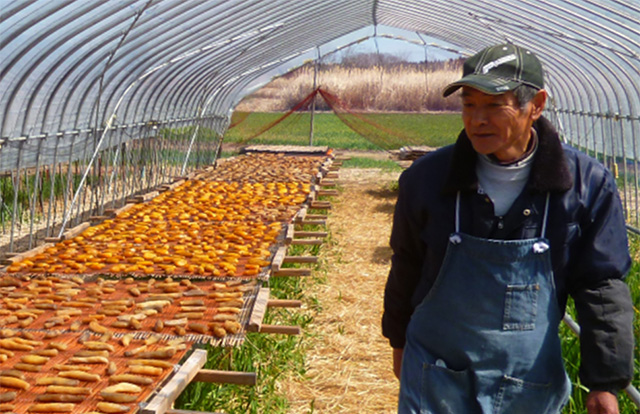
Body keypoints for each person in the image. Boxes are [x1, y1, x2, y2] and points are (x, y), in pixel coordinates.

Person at [382, 43, 635, 414]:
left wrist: (605, 382)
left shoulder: (584, 185)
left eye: (494, 105)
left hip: (526, 383)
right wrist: (398, 341)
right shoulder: (428, 180)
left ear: (536, 105)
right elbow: (406, 265)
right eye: (469, 105)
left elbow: (601, 285)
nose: (477, 119)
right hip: (435, 376)